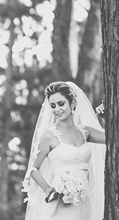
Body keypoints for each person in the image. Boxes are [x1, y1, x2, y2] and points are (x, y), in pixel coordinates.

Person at [23, 81, 106, 220]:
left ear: (72, 103)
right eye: (53, 106)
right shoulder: (49, 136)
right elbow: (33, 169)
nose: (57, 109)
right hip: (61, 202)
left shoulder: (84, 132)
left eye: (61, 104)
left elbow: (111, 139)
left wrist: (104, 119)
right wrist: (47, 189)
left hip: (83, 202)